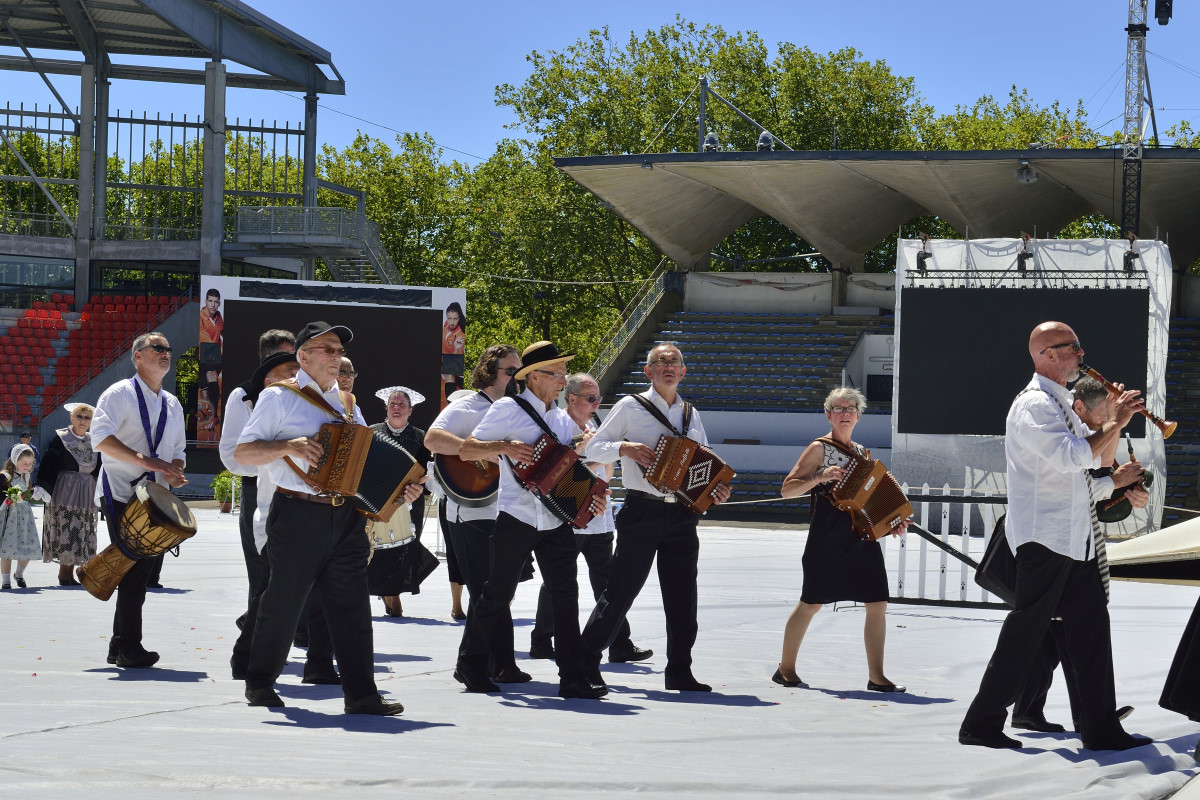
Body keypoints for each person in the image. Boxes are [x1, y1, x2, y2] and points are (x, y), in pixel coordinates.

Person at [959, 321, 1151, 751]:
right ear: (1047, 353)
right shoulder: (1034, 405)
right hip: (1045, 538)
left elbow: (1090, 466)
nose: (1081, 353)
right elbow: (1071, 458)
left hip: (1074, 538)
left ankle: (1100, 728)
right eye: (1072, 347)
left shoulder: (1060, 401)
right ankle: (980, 723)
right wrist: (1114, 421)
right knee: (1027, 631)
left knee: (1091, 630)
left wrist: (1116, 434)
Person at [234, 321, 419, 715]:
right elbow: (243, 453)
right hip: (297, 513)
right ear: (303, 356)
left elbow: (365, 461)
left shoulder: (348, 404)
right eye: (328, 349)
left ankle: (362, 695)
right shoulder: (278, 397)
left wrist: (399, 490)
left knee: (353, 608)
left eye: (340, 351)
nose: (337, 357)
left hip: (346, 516)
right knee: (283, 604)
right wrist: (288, 445)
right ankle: (260, 682)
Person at [454, 341, 606, 699]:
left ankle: (572, 677)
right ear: (534, 376)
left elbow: (566, 469)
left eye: (564, 374)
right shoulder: (507, 408)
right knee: (497, 593)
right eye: (557, 374)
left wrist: (591, 497)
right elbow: (466, 449)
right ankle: (470, 664)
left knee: (566, 595)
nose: (563, 381)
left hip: (554, 520)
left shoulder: (561, 418)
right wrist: (502, 447)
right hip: (517, 516)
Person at [580, 343, 731, 692]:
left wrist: (716, 490)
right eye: (660, 362)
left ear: (683, 372)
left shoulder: (691, 414)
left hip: (682, 514)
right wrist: (624, 448)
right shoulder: (630, 406)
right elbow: (593, 448)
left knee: (683, 597)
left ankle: (680, 670)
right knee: (620, 593)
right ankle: (584, 662)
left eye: (674, 361)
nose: (668, 366)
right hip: (642, 510)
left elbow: (705, 461)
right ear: (648, 371)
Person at [1012, 374, 1144, 732]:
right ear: (1079, 407)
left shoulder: (1090, 432)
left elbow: (1101, 490)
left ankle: (1066, 712)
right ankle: (1083, 715)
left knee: (1059, 633)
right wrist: (1115, 478)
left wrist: (1130, 494)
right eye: (1102, 413)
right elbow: (1085, 483)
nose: (1104, 420)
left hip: (1075, 541)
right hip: (1053, 542)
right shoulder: (1061, 428)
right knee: (1062, 631)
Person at [776, 387, 908, 692]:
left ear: (859, 416)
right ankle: (785, 669)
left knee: (877, 602)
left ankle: (877, 676)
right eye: (839, 408)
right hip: (827, 535)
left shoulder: (863, 453)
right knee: (811, 603)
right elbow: (787, 489)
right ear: (829, 415)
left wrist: (891, 524)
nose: (845, 413)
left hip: (861, 535)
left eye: (850, 409)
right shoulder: (819, 448)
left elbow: (869, 503)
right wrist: (819, 477)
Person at [228, 349, 339, 686]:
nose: (296, 376)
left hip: (324, 514)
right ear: (269, 381)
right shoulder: (271, 405)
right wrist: (285, 447)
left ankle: (319, 663)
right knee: (272, 597)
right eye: (289, 370)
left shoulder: (326, 406)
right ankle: (246, 658)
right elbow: (236, 457)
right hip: (276, 512)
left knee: (323, 596)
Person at [530, 373, 653, 664]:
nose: (597, 403)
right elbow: (554, 467)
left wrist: (601, 478)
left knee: (610, 583)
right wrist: (586, 451)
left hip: (598, 516)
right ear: (572, 399)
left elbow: (606, 468)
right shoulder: (557, 424)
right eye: (591, 398)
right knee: (557, 581)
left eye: (598, 398)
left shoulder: (595, 426)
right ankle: (542, 639)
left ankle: (619, 642)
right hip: (567, 517)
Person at [425, 345, 528, 679]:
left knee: (499, 591)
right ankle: (486, 664)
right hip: (469, 510)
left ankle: (501, 664)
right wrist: (482, 450)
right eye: (510, 371)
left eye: (519, 371)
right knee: (486, 590)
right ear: (489, 371)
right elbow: (433, 439)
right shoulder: (468, 405)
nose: (516, 377)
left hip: (507, 510)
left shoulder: (519, 410)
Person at [91, 332, 187, 668]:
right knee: (136, 568)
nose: (165, 353)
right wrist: (148, 461)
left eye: (168, 348)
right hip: (120, 490)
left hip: (153, 498)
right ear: (138, 356)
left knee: (139, 568)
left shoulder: (173, 404)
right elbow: (100, 439)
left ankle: (120, 645)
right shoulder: (119, 393)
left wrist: (175, 471)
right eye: (157, 348)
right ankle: (128, 646)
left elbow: (178, 451)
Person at [219, 328, 296, 612]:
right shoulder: (244, 395)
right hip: (257, 489)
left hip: (294, 493)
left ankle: (289, 627)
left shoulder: (302, 397)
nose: (294, 368)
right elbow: (231, 455)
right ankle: (254, 626)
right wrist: (269, 464)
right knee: (261, 569)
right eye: (286, 359)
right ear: (267, 360)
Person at [369, 386, 433, 618]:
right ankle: (386, 592)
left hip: (410, 501)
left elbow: (428, 473)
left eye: (401, 405)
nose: (396, 408)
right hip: (376, 500)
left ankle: (393, 592)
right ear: (386, 408)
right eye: (392, 404)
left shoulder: (421, 437)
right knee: (376, 545)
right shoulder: (372, 432)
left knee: (407, 546)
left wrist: (421, 487)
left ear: (410, 410)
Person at [38, 403, 101, 586]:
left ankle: (69, 573)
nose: (82, 421)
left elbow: (100, 467)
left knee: (81, 529)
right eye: (79, 416)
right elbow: (49, 463)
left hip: (87, 490)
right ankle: (64, 574)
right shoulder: (62, 438)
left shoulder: (94, 441)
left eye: (87, 418)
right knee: (67, 527)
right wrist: (43, 486)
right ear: (72, 418)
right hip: (66, 489)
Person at [0, 444, 49, 589]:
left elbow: (27, 494)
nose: (27, 466)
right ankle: (6, 581)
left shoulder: (26, 477)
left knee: (27, 548)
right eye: (24, 463)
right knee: (7, 550)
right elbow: (2, 497)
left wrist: (33, 493)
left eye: (30, 463)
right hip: (9, 517)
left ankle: (19, 574)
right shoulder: (5, 476)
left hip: (25, 518)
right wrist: (8, 499)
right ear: (15, 460)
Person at [440, 303, 466, 404]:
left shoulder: (460, 335)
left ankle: (451, 404)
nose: (452, 322)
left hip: (452, 362)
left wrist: (456, 348)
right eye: (449, 318)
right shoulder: (446, 324)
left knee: (449, 372)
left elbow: (456, 360)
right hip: (443, 360)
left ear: (459, 318)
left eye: (455, 319)